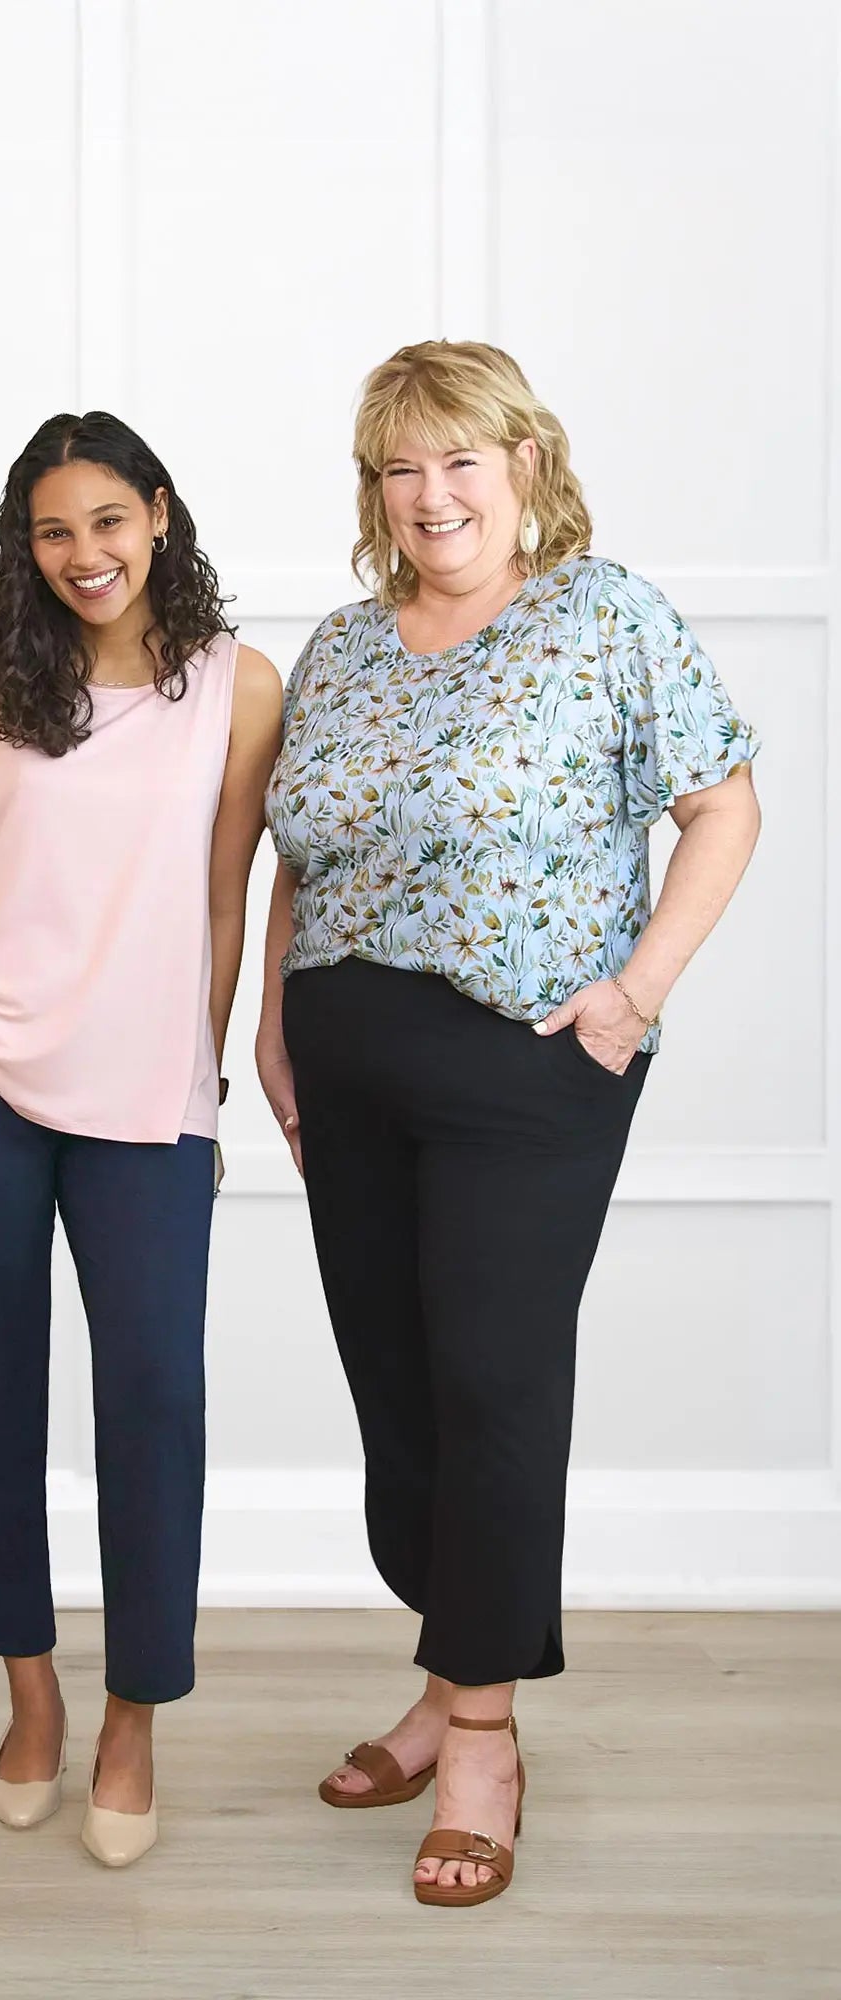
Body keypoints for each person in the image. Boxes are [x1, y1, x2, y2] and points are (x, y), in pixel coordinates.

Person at [258, 341, 761, 1907]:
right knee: (395, 1390)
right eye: (402, 468)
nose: (433, 494)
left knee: (489, 1384)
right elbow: (302, 851)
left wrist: (634, 993)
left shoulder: (603, 616)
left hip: (525, 1066)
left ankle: (482, 1735)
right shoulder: (340, 647)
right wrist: (272, 1024)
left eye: (462, 459)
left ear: (526, 464)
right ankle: (446, 1671)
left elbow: (724, 800)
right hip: (345, 1062)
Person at [0, 411, 281, 1867]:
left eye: (108, 521)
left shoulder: (240, 688)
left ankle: (133, 1717)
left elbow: (227, 893)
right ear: (23, 542)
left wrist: (206, 1068)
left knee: (154, 1402)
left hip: (144, 1092)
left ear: (160, 516)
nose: (84, 555)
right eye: (54, 531)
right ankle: (31, 1699)